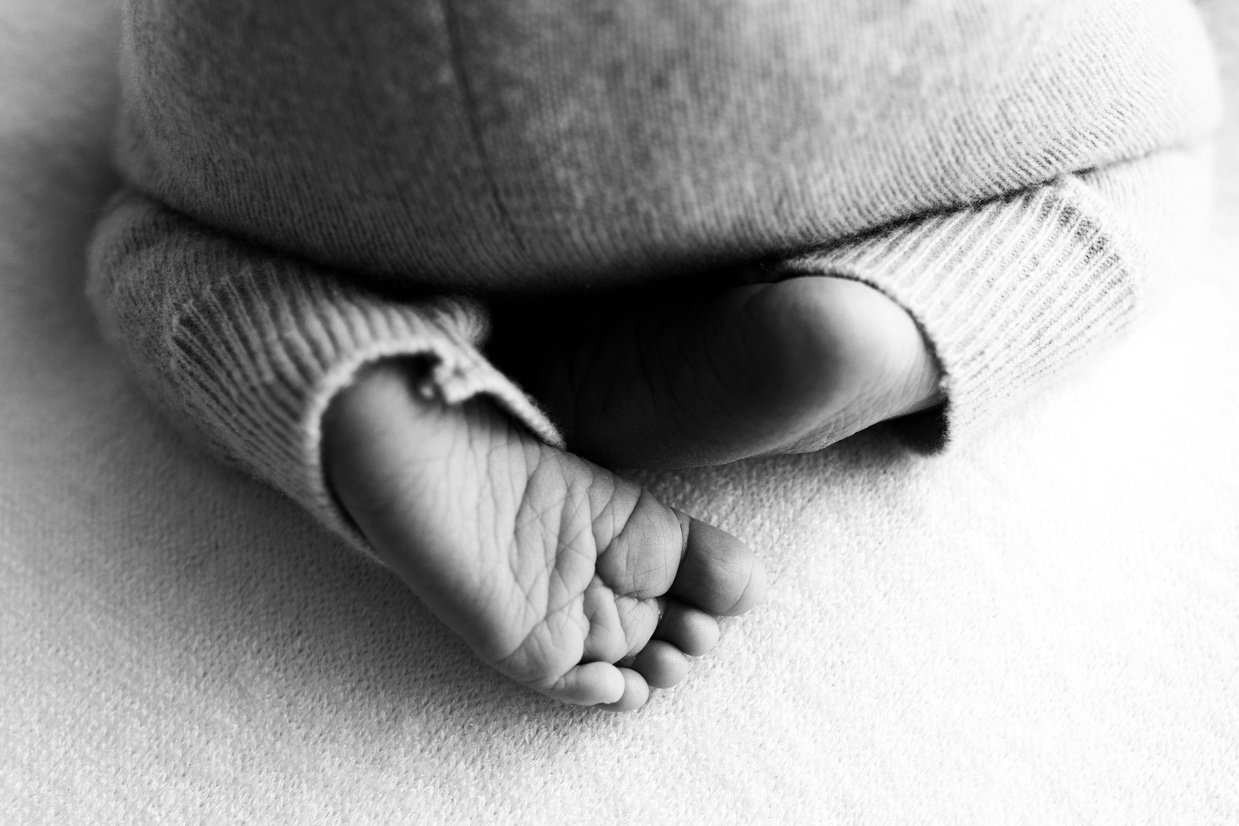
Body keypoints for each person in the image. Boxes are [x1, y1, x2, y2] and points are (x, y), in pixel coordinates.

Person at [88, 0, 1220, 711]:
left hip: (349, 94)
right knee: (1163, 160)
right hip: (795, 77)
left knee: (159, 243)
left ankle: (341, 367)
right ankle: (883, 316)